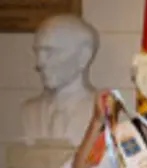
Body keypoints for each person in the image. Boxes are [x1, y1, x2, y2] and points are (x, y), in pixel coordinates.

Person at [22, 14, 99, 146]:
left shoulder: (101, 110)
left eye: (50, 52)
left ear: (83, 56)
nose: (40, 63)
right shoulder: (29, 111)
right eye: (37, 52)